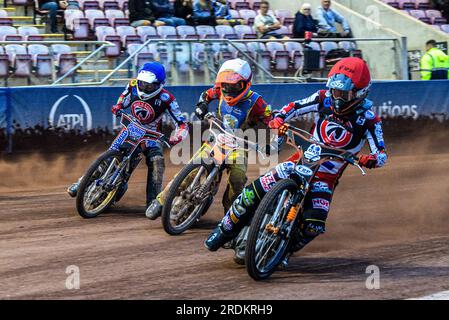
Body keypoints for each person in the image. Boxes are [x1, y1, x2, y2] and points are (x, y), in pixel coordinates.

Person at [204, 57, 388, 266]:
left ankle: (283, 250)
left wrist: (371, 159)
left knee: (314, 224)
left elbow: (382, 154)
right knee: (252, 192)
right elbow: (293, 106)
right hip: (300, 160)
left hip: (326, 176)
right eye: (334, 92)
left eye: (343, 94)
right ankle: (223, 230)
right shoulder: (323, 98)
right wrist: (279, 119)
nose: (337, 99)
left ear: (360, 93)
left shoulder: (370, 120)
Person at [146, 59, 273, 232]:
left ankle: (232, 217)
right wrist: (202, 106)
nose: (227, 90)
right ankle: (161, 201)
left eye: (233, 86)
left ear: (245, 84)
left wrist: (273, 141)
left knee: (237, 178)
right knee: (190, 170)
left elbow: (272, 121)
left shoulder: (257, 102)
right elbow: (205, 96)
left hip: (240, 145)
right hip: (218, 137)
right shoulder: (220, 90)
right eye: (225, 85)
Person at [67, 62, 189, 210]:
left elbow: (182, 123)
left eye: (149, 85)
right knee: (109, 156)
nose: (144, 88)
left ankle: (153, 203)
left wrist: (177, 137)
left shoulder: (167, 98)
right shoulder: (132, 85)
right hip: (131, 127)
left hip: (152, 136)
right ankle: (81, 183)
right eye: (142, 84)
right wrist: (118, 106)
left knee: (157, 162)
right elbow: (123, 98)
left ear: (159, 84)